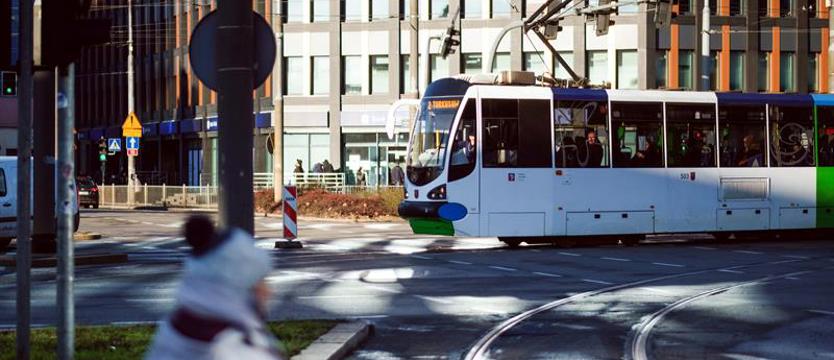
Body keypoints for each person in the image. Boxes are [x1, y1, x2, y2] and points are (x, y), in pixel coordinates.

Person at [146, 216, 285, 360]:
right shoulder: (240, 350)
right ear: (239, 286)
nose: (269, 291)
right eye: (261, 279)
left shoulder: (175, 328)